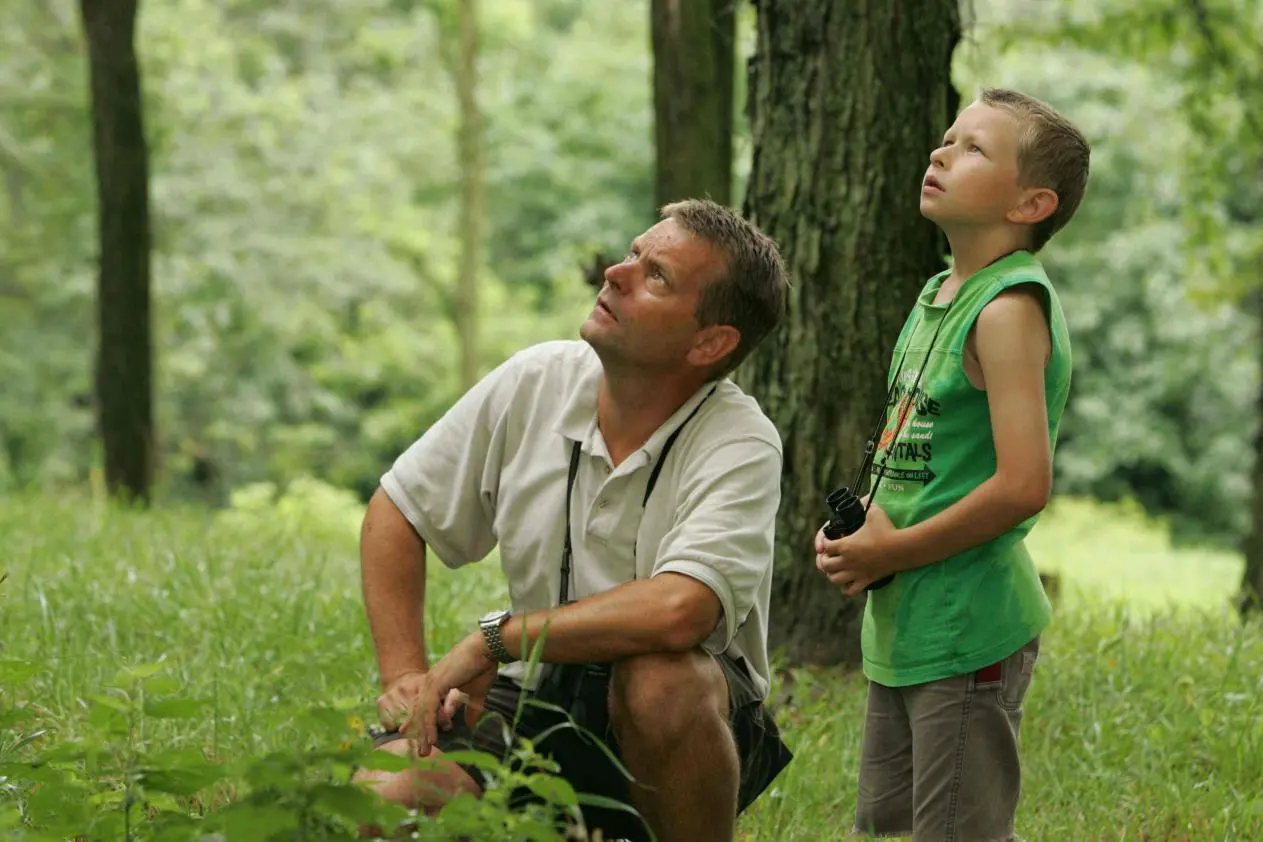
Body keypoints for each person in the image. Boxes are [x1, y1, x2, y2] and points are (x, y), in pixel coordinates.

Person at [354, 198, 794, 842]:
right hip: (530, 696)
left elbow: (682, 610)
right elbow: (398, 510)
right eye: (632, 254)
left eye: (656, 276)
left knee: (657, 680)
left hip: (687, 721)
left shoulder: (740, 440)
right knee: (380, 798)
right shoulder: (537, 379)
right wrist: (406, 679)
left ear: (711, 342)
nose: (616, 273)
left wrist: (495, 639)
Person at [814, 87, 1091, 840]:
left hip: (967, 624)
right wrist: (863, 531)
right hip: (904, 621)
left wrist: (894, 548)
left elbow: (1022, 485)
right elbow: (916, 442)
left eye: (972, 149)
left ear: (1030, 203)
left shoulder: (1007, 309)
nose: (940, 154)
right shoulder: (940, 293)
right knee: (889, 824)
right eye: (946, 139)